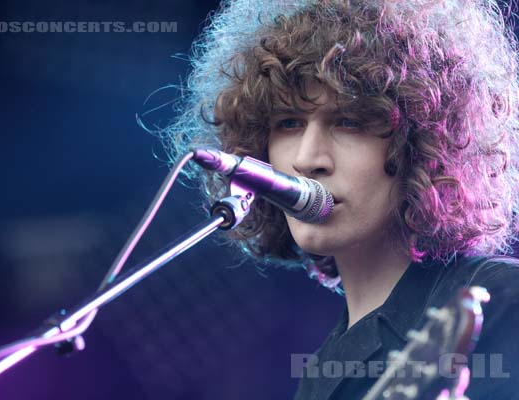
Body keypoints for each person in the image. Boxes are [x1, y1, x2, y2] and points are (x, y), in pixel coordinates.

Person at [161, 0, 519, 398]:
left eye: (350, 122)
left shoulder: (504, 298)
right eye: (289, 124)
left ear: (423, 144)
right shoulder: (320, 375)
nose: (307, 159)